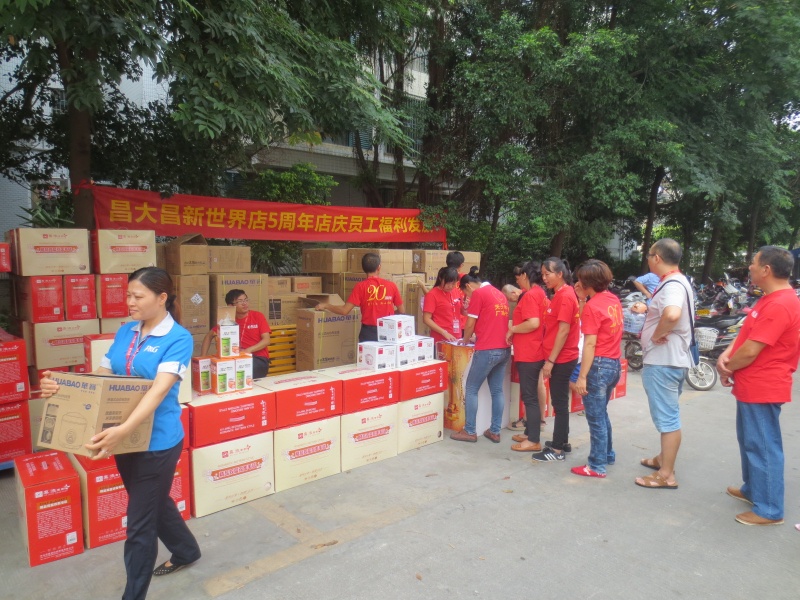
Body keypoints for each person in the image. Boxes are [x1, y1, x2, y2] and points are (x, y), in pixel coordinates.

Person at [40, 267, 201, 600]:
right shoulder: (127, 331)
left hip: (157, 442)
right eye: (128, 295)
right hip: (126, 439)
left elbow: (158, 391)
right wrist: (63, 387)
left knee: (140, 523)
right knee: (152, 502)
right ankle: (186, 550)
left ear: (162, 298)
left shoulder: (178, 338)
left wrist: (122, 429)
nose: (130, 302)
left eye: (137, 296)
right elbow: (102, 376)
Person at [716, 246, 800, 525]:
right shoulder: (769, 299)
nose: (749, 267)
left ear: (766, 269)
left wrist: (728, 366)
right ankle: (753, 489)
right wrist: (727, 355)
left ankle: (770, 509)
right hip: (752, 382)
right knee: (750, 441)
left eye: (753, 263)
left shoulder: (780, 304)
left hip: (763, 384)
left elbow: (752, 350)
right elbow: (747, 336)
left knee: (763, 445)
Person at [635, 238, 693, 489]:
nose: (648, 259)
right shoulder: (675, 281)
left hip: (664, 361)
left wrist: (657, 334)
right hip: (670, 360)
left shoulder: (672, 284)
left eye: (649, 255)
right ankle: (662, 459)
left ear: (657, 257)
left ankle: (666, 474)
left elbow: (671, 314)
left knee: (668, 419)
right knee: (668, 413)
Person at [570, 260, 623, 478]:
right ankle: (607, 454)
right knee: (602, 414)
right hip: (614, 364)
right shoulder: (612, 300)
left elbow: (589, 343)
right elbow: (590, 323)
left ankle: (596, 465)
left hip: (599, 366)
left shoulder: (593, 306)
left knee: (595, 418)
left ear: (587, 282)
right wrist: (582, 299)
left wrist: (582, 376)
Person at [450, 269, 511, 444]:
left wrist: (465, 339)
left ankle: (470, 430)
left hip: (487, 350)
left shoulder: (479, 294)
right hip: (504, 349)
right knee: (497, 390)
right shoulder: (499, 294)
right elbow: (492, 322)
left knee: (471, 388)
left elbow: (470, 323)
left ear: (468, 286)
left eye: (466, 294)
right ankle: (495, 431)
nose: (467, 297)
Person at [531, 258, 580, 463]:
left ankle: (557, 450)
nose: (544, 278)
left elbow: (563, 331)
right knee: (560, 402)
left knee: (559, 404)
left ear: (560, 274)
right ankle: (562, 441)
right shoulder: (561, 294)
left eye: (548, 273)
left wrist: (550, 361)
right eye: (542, 274)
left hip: (562, 358)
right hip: (561, 356)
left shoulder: (566, 296)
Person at [506, 261, 549, 452]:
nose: (517, 281)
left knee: (529, 397)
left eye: (519, 277)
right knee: (529, 394)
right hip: (534, 349)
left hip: (529, 352)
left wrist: (513, 329)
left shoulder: (531, 295)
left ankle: (533, 440)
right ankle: (529, 432)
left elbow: (533, 323)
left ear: (525, 275)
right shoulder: (539, 292)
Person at [316, 252, 403, 342]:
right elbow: (402, 311)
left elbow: (344, 311)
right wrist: (388, 315)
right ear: (379, 267)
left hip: (369, 333)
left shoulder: (360, 287)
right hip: (389, 331)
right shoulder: (391, 285)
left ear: (363, 268)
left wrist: (326, 305)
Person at [200, 288, 271, 378]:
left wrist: (247, 351)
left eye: (246, 300)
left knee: (238, 370)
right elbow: (209, 336)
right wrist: (203, 358)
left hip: (257, 359)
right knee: (216, 370)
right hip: (235, 358)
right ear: (231, 306)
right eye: (240, 301)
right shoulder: (228, 321)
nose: (244, 303)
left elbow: (266, 340)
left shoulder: (257, 316)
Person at [423, 266, 462, 344]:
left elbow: (461, 311)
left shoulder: (456, 291)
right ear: (440, 279)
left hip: (456, 337)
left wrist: (465, 308)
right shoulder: (432, 295)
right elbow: (426, 319)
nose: (450, 286)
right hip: (440, 339)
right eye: (447, 283)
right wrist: (443, 332)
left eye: (453, 283)